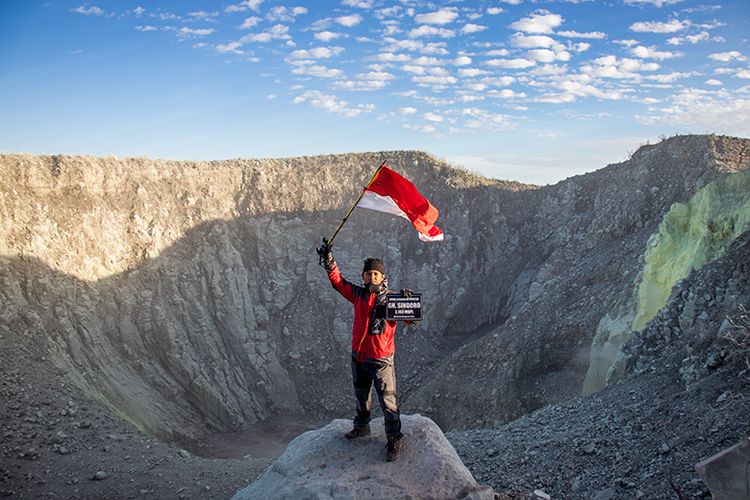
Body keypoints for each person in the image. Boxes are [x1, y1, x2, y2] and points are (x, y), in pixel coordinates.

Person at [317, 240, 408, 462]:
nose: (372, 277)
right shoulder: (358, 295)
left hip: (381, 359)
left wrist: (408, 303)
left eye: (376, 274)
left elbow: (409, 319)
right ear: (363, 276)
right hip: (358, 356)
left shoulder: (393, 299)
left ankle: (394, 438)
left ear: (383, 277)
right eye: (368, 274)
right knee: (362, 397)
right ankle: (362, 427)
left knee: (388, 400)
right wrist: (329, 260)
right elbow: (338, 283)